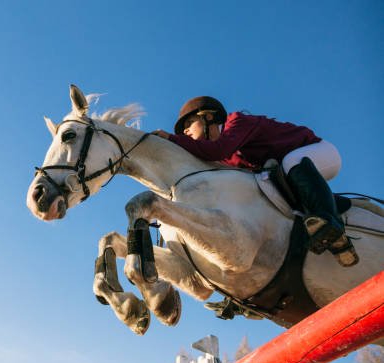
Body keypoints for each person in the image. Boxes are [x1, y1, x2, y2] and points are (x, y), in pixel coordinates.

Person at [153, 96, 358, 267]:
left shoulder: (237, 122)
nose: (185, 132)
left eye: (189, 124)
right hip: (289, 175)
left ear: (208, 117)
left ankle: (331, 224)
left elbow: (215, 151)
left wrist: (172, 139)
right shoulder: (224, 157)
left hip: (319, 153)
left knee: (290, 161)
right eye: (183, 131)